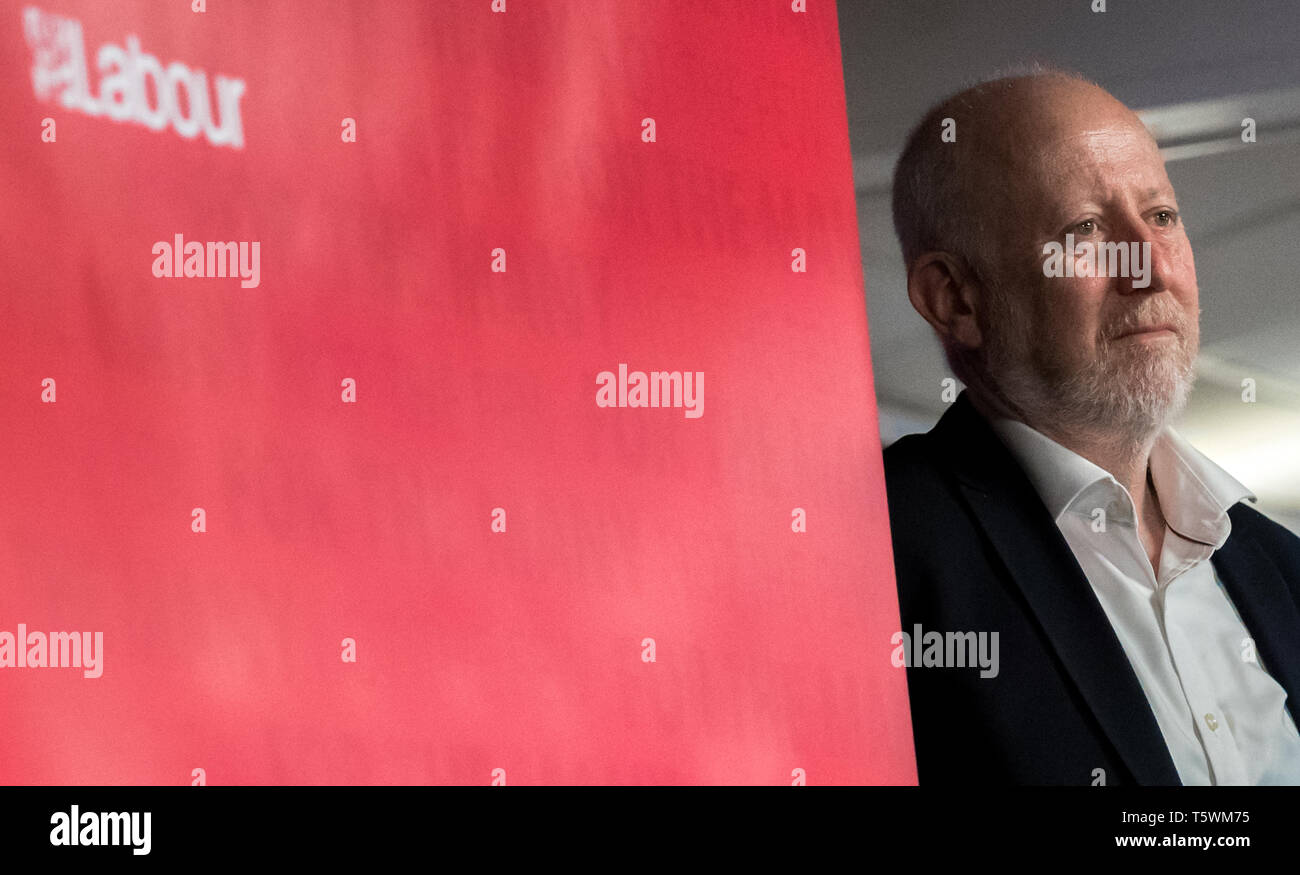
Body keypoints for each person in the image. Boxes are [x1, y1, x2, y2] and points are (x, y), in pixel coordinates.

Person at [885, 67, 1300, 785]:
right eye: (1085, 229)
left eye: (1162, 216)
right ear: (955, 298)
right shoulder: (875, 555)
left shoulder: (1284, 570)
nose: (1152, 269)